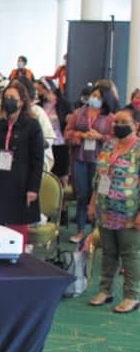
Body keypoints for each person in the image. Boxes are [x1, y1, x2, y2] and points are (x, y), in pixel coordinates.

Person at [0, 81, 44, 249]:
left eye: (13, 98)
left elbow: (37, 160)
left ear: (22, 101)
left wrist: (33, 188)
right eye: (6, 97)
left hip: (20, 183)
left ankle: (18, 260)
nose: (9, 101)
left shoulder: (32, 126)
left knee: (17, 228)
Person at [87, 108, 140, 313]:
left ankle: (131, 295)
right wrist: (93, 203)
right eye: (115, 122)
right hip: (105, 208)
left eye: (123, 122)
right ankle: (105, 290)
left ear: (135, 125)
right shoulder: (109, 145)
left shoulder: (137, 149)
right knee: (108, 252)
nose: (117, 125)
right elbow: (99, 178)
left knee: (130, 255)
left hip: (129, 212)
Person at [65, 84, 118, 243]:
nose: (95, 99)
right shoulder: (79, 113)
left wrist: (100, 137)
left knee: (98, 196)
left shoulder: (110, 118)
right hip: (80, 159)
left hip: (100, 162)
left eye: (99, 96)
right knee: (82, 195)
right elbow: (67, 133)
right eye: (93, 95)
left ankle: (95, 231)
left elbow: (115, 140)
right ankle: (80, 230)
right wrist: (81, 134)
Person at [36, 79, 72, 185]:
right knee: (48, 170)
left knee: (62, 172)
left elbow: (69, 119)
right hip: (46, 142)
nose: (40, 93)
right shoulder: (39, 105)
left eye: (41, 90)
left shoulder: (63, 103)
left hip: (61, 141)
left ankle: (61, 195)